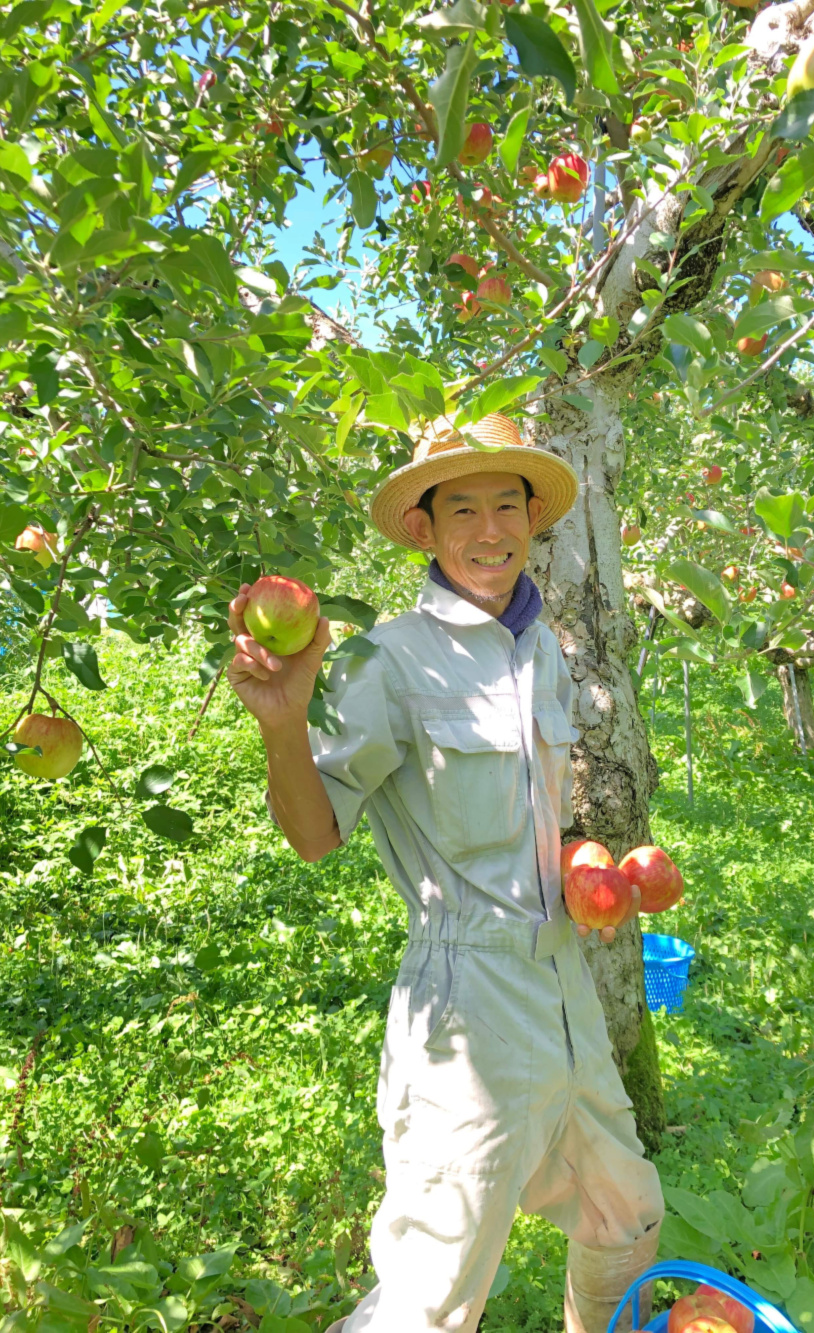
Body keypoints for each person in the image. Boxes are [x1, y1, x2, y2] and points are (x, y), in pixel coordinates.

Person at [226, 413, 663, 1333]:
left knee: (627, 1213)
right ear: (423, 528)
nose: (490, 528)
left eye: (509, 503)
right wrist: (282, 722)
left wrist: (588, 867)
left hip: (561, 980)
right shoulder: (385, 661)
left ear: (534, 520)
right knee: (436, 1288)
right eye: (463, 507)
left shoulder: (538, 645)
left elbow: (525, 815)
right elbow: (315, 835)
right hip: (467, 1001)